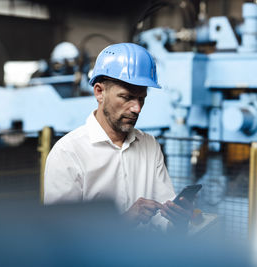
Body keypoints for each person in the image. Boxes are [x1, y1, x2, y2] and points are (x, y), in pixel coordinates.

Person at [43, 43, 194, 231]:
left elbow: (164, 222)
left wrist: (177, 219)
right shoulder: (68, 153)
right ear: (99, 92)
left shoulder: (149, 145)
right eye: (127, 97)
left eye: (141, 99)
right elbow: (61, 234)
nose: (136, 108)